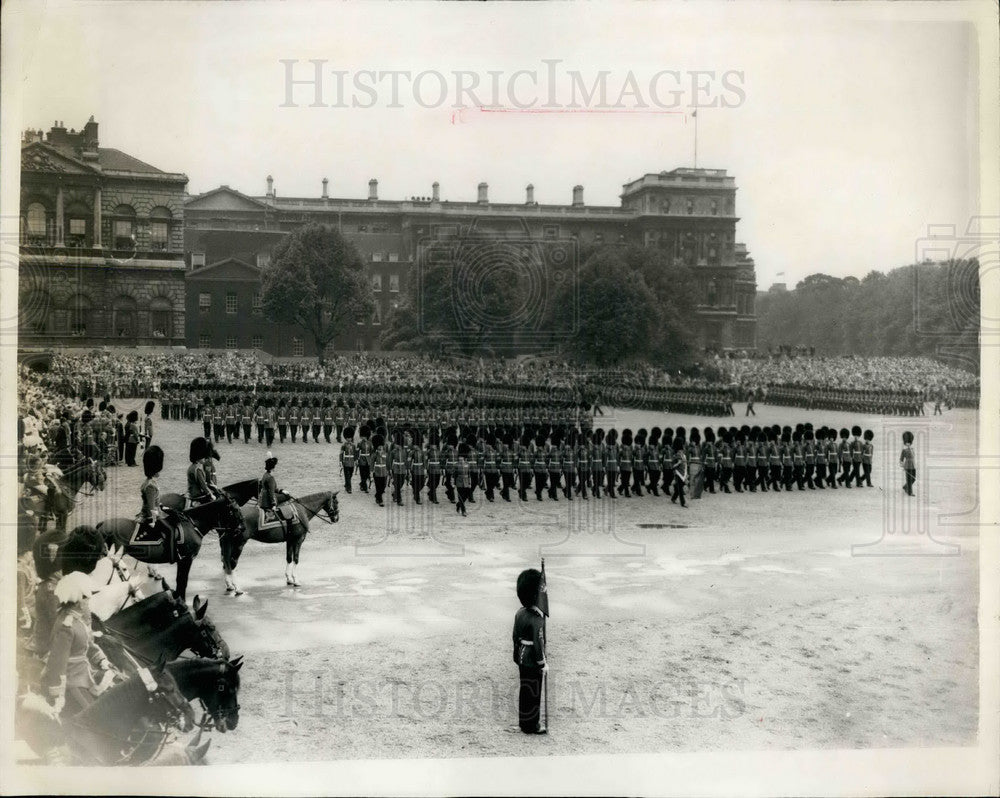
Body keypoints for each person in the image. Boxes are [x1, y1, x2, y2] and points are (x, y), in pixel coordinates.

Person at [40, 570, 115, 719]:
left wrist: (102, 661)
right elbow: (57, 664)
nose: (88, 601)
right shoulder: (65, 626)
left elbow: (88, 645)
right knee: (95, 716)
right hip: (70, 681)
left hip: (83, 674)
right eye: (86, 597)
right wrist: (57, 695)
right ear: (78, 599)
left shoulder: (77, 620)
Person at [513, 568, 547, 735]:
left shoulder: (520, 613)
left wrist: (516, 654)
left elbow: (515, 636)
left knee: (525, 691)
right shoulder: (537, 618)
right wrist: (543, 663)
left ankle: (523, 722)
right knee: (534, 692)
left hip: (521, 655)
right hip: (532, 659)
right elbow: (538, 644)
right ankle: (533, 725)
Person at [187, 437, 215, 506]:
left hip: (191, 492)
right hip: (197, 494)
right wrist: (211, 495)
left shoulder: (191, 467)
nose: (205, 459)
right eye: (203, 457)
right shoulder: (198, 469)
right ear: (198, 457)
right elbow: (203, 485)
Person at [900, 430, 916, 496]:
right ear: (905, 442)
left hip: (913, 465)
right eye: (907, 442)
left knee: (913, 478)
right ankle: (910, 492)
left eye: (909, 442)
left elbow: (913, 457)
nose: (908, 444)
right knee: (909, 479)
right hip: (907, 466)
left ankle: (905, 486)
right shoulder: (904, 450)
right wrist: (903, 465)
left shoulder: (912, 449)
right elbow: (901, 459)